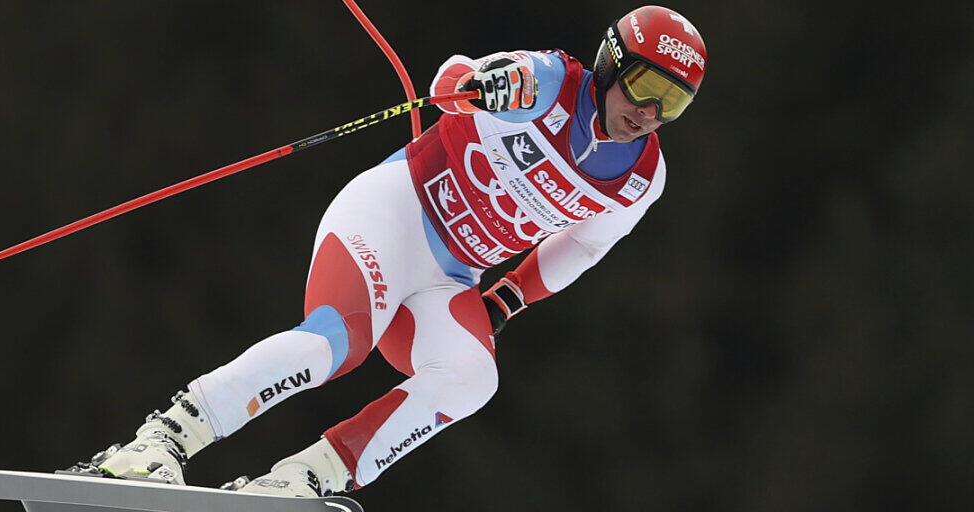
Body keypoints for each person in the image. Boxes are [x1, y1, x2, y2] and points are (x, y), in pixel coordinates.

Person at [77, 5, 708, 497]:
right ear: (611, 63)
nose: (651, 112)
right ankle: (159, 441)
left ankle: (307, 476)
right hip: (395, 214)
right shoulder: (547, 80)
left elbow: (585, 246)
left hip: (451, 277)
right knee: (335, 344)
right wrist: (479, 86)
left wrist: (507, 298)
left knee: (470, 378)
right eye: (647, 85)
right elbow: (449, 80)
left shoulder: (640, 178)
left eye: (674, 102)